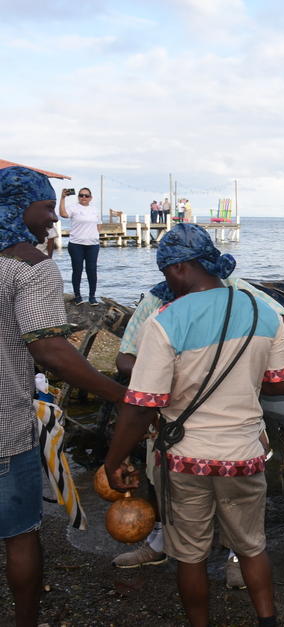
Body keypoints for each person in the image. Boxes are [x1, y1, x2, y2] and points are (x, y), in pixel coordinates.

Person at [105, 223, 284, 627]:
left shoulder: (165, 320)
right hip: (244, 456)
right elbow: (281, 385)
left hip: (186, 461)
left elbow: (141, 406)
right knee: (252, 547)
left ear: (180, 268)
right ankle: (267, 619)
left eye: (167, 272)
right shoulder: (263, 310)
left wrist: (114, 460)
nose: (166, 281)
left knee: (189, 555)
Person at [1, 166, 126, 627]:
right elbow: (50, 347)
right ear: (22, 207)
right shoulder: (29, 266)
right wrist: (118, 393)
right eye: (47, 207)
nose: (54, 219)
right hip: (4, 426)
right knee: (19, 535)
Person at [59, 186, 101, 304]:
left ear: (90, 198)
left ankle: (92, 297)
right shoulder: (74, 208)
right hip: (76, 244)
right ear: (78, 197)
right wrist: (63, 198)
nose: (84, 197)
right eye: (81, 195)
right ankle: (78, 296)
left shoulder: (95, 210)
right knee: (77, 270)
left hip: (92, 245)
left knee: (91, 270)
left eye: (86, 196)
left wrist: (95, 236)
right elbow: (62, 214)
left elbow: (99, 225)